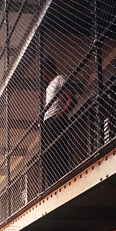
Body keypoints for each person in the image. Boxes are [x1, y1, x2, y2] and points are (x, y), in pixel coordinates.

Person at [41, 57, 77, 188]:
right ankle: (53, 183)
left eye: (43, 71)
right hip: (47, 122)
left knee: (57, 150)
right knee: (45, 155)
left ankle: (61, 179)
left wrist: (60, 114)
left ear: (46, 69)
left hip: (56, 120)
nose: (42, 75)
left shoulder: (59, 79)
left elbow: (71, 99)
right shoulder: (48, 87)